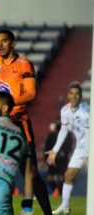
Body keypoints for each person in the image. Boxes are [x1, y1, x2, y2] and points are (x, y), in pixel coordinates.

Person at [0, 0, 52, 214]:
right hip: (1, 126)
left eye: (4, 41)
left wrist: (7, 103)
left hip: (19, 124)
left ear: (13, 43)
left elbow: (31, 94)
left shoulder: (24, 64)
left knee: (31, 174)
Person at [45, 81, 89, 214]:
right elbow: (63, 132)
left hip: (89, 148)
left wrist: (88, 154)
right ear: (68, 95)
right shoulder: (64, 111)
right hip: (81, 148)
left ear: (81, 96)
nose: (74, 96)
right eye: (72, 94)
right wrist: (55, 150)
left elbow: (90, 134)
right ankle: (65, 206)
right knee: (68, 175)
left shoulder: (87, 112)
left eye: (77, 94)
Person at [43, 122, 72, 195]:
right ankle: (55, 190)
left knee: (62, 177)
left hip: (62, 160)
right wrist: (48, 159)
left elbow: (68, 147)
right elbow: (47, 147)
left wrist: (60, 156)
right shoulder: (51, 135)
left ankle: (60, 191)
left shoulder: (67, 135)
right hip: (53, 159)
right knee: (50, 177)